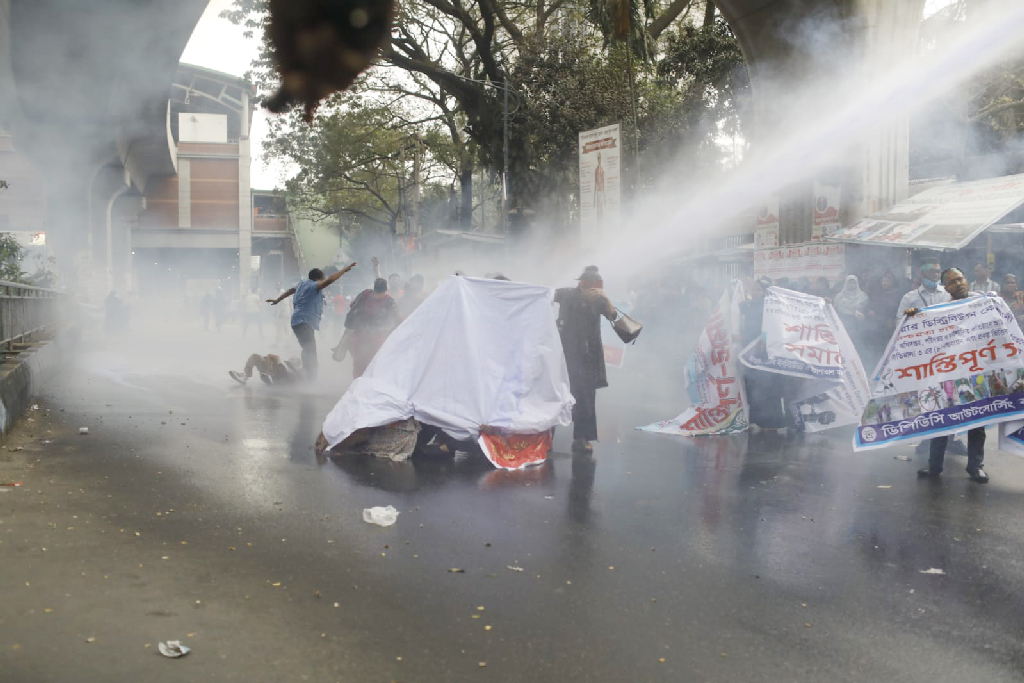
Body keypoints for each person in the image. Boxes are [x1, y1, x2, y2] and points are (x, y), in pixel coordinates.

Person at [905, 267, 989, 484]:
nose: (958, 283)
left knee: (976, 421)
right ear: (947, 287)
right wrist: (915, 317)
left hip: (975, 370)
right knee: (942, 418)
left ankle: (975, 466)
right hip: (948, 373)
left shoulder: (983, 302)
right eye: (952, 282)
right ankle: (934, 466)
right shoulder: (941, 310)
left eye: (960, 279)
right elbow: (924, 333)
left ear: (967, 280)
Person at [554, 266, 617, 453]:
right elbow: (543, 297)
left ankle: (581, 438)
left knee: (586, 398)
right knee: (556, 394)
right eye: (588, 287)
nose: (592, 292)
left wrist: (606, 299)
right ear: (582, 285)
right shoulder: (566, 294)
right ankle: (545, 436)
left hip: (589, 356)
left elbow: (613, 316)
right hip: (565, 353)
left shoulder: (599, 301)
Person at [267, 263, 356, 380]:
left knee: (308, 349)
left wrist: (278, 299)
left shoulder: (302, 284)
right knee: (310, 351)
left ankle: (304, 372)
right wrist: (344, 270)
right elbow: (329, 280)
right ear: (317, 278)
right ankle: (310, 377)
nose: (323, 280)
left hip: (297, 321)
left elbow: (290, 290)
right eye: (322, 277)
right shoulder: (314, 285)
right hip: (304, 322)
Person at [739, 277, 789, 432]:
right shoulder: (747, 306)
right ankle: (755, 419)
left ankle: (772, 422)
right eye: (753, 290)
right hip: (749, 353)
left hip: (765, 352)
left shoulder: (772, 308)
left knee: (767, 387)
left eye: (758, 290)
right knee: (753, 386)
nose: (754, 293)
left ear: (765, 292)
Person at [344, 277, 400, 378]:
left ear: (374, 288)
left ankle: (358, 383)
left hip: (359, 335)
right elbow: (396, 318)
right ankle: (367, 383)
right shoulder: (389, 301)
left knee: (359, 363)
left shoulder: (365, 295)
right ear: (386, 289)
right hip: (376, 337)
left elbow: (352, 306)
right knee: (373, 363)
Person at [229, 353, 301, 386]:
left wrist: (294, 370)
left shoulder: (295, 369)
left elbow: (299, 380)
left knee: (271, 357)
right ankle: (245, 376)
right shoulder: (283, 362)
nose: (292, 359)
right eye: (292, 358)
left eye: (295, 359)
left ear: (298, 363)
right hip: (271, 371)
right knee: (254, 357)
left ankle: (269, 375)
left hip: (280, 375)